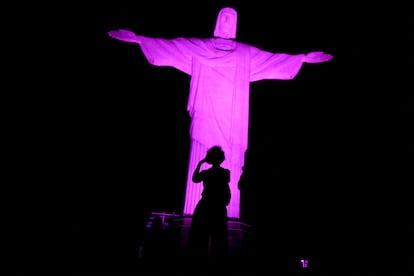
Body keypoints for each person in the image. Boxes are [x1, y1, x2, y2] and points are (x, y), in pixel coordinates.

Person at [108, 6, 333, 219]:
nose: (227, 22)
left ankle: (225, 219)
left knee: (230, 164)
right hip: (206, 111)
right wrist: (139, 39)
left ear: (235, 24)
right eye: (224, 17)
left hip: (232, 117)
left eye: (232, 19)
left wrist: (301, 58)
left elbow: (272, 60)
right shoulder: (200, 47)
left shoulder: (245, 53)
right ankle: (194, 216)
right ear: (217, 22)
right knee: (203, 152)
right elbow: (171, 47)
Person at [188, 145, 231, 262]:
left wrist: (200, 164)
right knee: (218, 236)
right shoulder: (226, 172)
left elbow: (195, 179)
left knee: (201, 234)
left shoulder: (206, 173)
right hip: (218, 206)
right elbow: (226, 188)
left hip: (206, 205)